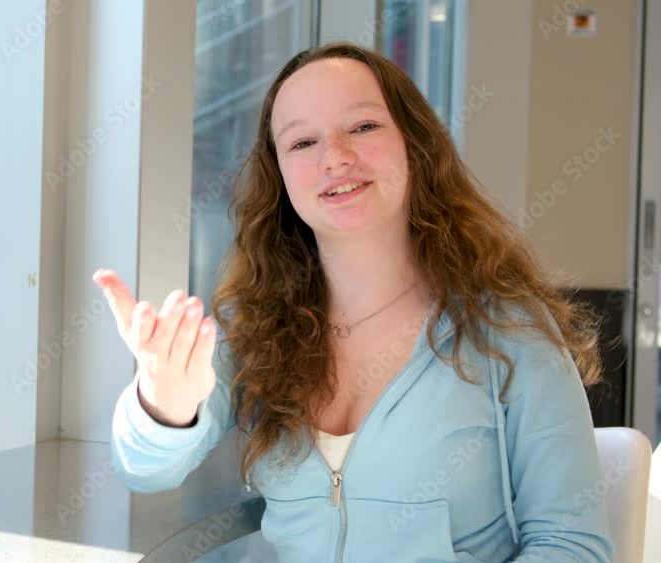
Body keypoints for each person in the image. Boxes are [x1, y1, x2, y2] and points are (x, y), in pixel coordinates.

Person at [93, 42, 613, 562]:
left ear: (415, 144)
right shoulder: (254, 324)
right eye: (302, 142)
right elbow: (144, 469)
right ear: (280, 175)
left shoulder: (509, 327)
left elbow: (573, 547)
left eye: (363, 127)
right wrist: (164, 403)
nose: (335, 157)